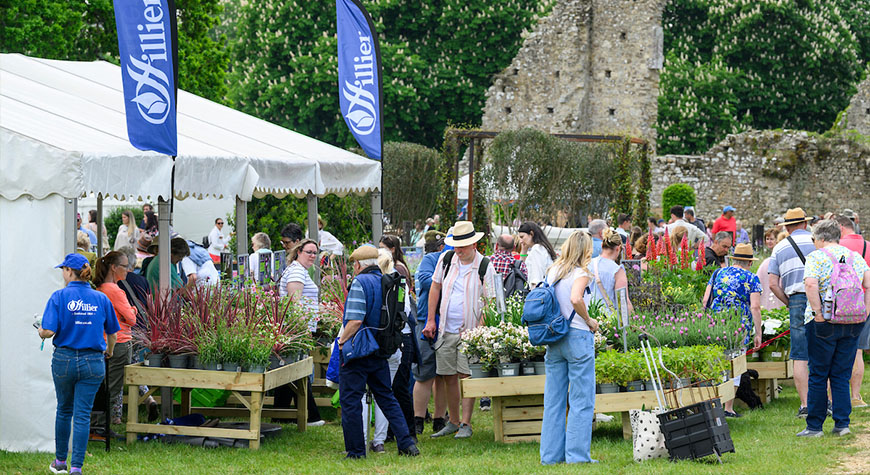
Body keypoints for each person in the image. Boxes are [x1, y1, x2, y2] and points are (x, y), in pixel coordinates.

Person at [37, 254, 119, 475]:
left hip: (64, 360)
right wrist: (109, 352)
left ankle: (60, 462)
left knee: (64, 410)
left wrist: (40, 331)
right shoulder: (101, 299)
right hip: (93, 361)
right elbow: (113, 334)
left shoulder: (59, 296)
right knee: (83, 415)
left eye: (62, 269)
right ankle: (76, 468)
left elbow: (49, 330)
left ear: (68, 271)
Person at [338, 245, 420, 458]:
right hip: (382, 349)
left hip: (359, 350)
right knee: (386, 397)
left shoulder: (360, 282)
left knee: (351, 401)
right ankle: (406, 444)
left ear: (357, 265)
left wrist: (341, 341)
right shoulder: (388, 280)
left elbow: (355, 320)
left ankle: (356, 452)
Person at [423, 221, 496, 440]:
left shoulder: (484, 265)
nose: (458, 249)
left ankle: (466, 422)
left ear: (474, 244)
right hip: (446, 327)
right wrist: (430, 320)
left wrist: (479, 331)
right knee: (447, 376)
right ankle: (453, 421)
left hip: (470, 330)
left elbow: (490, 301)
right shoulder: (446, 260)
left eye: (462, 245)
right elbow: (435, 287)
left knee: (466, 375)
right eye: (456, 245)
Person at [798, 219, 870, 437]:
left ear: (820, 238)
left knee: (819, 373)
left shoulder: (816, 257)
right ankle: (842, 424)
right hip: (852, 320)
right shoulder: (854, 257)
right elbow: (867, 283)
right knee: (841, 373)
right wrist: (865, 312)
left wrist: (818, 313)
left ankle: (814, 426)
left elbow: (810, 284)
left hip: (824, 322)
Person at [540, 230, 599, 465]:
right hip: (577, 337)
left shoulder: (553, 271)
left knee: (553, 400)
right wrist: (589, 320)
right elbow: (576, 299)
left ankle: (550, 457)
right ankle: (576, 457)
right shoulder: (582, 273)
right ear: (585, 250)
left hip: (554, 338)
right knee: (581, 400)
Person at [701, 243, 763, 417]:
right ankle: (728, 408)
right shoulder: (751, 278)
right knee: (735, 364)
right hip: (738, 324)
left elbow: (706, 300)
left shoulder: (717, 273)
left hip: (716, 323)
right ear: (749, 262)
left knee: (717, 362)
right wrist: (758, 333)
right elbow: (755, 307)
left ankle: (715, 404)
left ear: (734, 259)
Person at [768, 208, 817, 417]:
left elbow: (772, 284)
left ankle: (806, 405)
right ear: (805, 224)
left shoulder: (779, 248)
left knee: (800, 354)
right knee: (825, 349)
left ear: (786, 227)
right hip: (820, 298)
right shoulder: (817, 242)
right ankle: (831, 401)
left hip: (796, 298)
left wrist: (789, 302)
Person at [369, 248, 418, 452]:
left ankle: (388, 435)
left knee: (385, 392)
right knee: (398, 389)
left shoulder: (373, 284)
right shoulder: (400, 285)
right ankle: (405, 434)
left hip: (381, 340)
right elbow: (406, 311)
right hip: (401, 338)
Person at [273, 238, 325, 426]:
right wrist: (302, 330)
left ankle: (281, 415)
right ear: (298, 252)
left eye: (315, 253)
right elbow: (295, 304)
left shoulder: (300, 270)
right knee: (297, 371)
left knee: (291, 372)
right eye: (309, 252)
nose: (312, 256)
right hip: (296, 330)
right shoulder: (296, 271)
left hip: (298, 329)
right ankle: (311, 416)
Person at [92, 251, 137, 425]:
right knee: (113, 387)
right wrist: (132, 310)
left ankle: (96, 424)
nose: (128, 269)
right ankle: (101, 425)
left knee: (103, 385)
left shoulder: (100, 289)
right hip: (119, 342)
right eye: (125, 266)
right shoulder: (115, 291)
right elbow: (132, 319)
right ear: (113, 267)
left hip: (104, 341)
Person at [412, 231, 449, 435]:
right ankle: (418, 419)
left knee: (443, 375)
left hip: (447, 324)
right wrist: (450, 280)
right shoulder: (429, 259)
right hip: (426, 321)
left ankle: (439, 419)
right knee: (424, 373)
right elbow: (426, 281)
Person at [836, 216, 870, 408]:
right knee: (857, 351)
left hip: (840, 304)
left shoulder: (836, 246)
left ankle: (833, 398)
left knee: (836, 350)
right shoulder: (868, 246)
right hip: (864, 303)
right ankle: (856, 396)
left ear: (841, 228)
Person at [587, 230, 634, 316]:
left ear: (602, 245)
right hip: (607, 319)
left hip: (588, 316)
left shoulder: (588, 264)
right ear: (618, 248)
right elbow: (623, 302)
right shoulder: (617, 270)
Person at [519, 221, 557, 288]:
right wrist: (523, 251)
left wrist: (534, 296)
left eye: (522, 237)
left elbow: (536, 279)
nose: (521, 241)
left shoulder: (537, 250)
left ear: (531, 234)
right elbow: (521, 268)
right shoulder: (541, 248)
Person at [757, 232, 787, 310]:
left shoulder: (765, 262)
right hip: (784, 306)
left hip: (765, 307)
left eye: (771, 239)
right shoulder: (788, 263)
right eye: (767, 239)